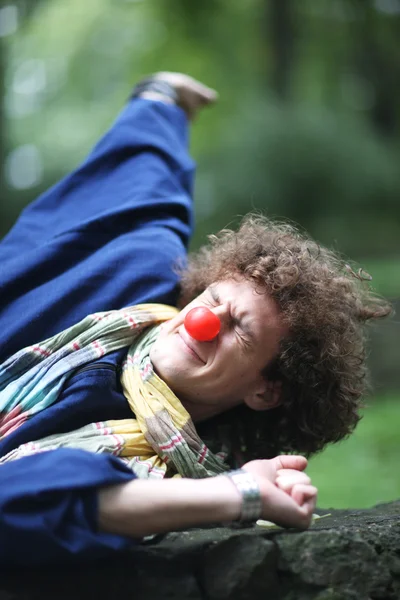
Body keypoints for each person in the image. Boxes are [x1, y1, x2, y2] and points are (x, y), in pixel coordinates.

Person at [0, 73, 390, 567]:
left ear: (264, 390)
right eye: (211, 298)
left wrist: (238, 494)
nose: (202, 321)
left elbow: (22, 504)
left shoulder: (167, 483)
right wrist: (161, 101)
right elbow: (139, 194)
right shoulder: (127, 283)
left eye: (239, 329)